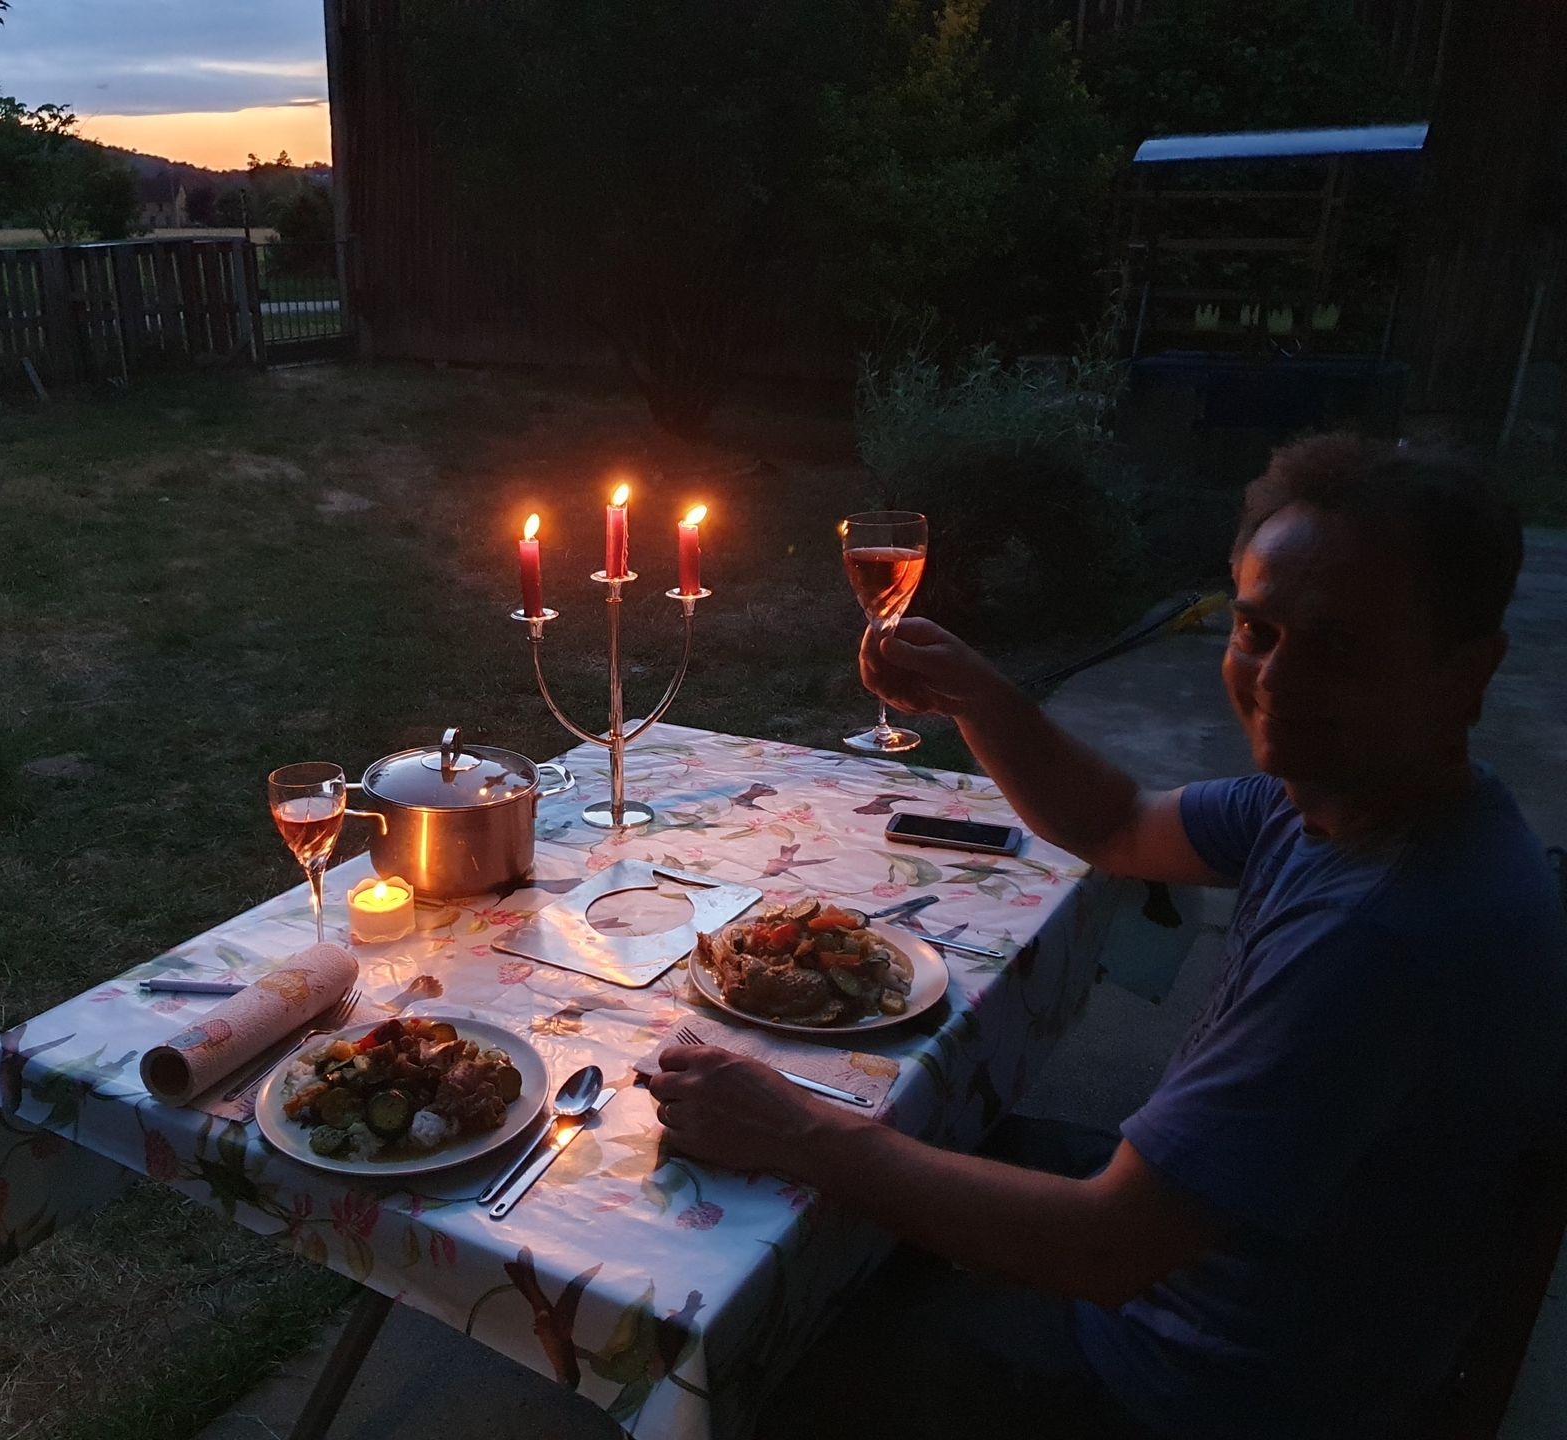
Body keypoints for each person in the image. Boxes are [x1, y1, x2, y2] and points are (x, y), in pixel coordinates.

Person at [650, 434, 1567, 1438]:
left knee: (755, 1337)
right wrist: (973, 687)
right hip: (1239, 1273)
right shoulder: (1345, 803)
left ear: (1468, 669)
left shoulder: (1385, 933)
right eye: (1257, 630)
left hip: (1194, 1379)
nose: (1280, 681)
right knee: (891, 1146)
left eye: (1342, 646)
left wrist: (793, 1129)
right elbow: (1117, 824)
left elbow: (1106, 1247)